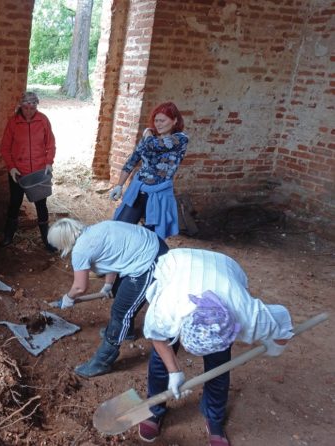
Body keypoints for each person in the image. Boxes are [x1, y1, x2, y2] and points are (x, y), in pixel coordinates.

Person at [139, 248, 294, 446]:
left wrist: (274, 350)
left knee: (219, 366)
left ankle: (214, 418)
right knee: (162, 356)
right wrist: (174, 372)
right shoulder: (166, 309)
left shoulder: (250, 315)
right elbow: (157, 337)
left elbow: (283, 322)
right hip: (177, 263)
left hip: (226, 267)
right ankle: (154, 408)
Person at [47, 218, 169, 378]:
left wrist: (68, 298)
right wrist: (108, 285)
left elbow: (80, 287)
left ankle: (102, 362)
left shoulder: (80, 251)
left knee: (121, 312)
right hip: (153, 246)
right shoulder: (95, 230)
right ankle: (127, 332)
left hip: (151, 260)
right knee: (121, 293)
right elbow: (113, 257)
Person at [110, 102, 189, 239]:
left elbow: (155, 145)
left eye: (162, 120)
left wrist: (147, 132)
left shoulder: (180, 139)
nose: (158, 124)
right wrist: (119, 185)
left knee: (152, 238)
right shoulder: (149, 139)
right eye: (156, 120)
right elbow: (132, 161)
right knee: (121, 229)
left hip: (159, 195)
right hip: (138, 190)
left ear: (175, 120)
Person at [0, 91, 57, 252]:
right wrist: (11, 167)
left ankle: (47, 239)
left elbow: (50, 144)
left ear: (36, 107)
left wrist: (49, 162)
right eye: (26, 108)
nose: (29, 111)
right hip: (18, 172)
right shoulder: (13, 122)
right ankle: (8, 235)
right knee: (14, 203)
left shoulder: (43, 120)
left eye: (33, 108)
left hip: (38, 172)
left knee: (41, 205)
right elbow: (5, 148)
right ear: (21, 107)